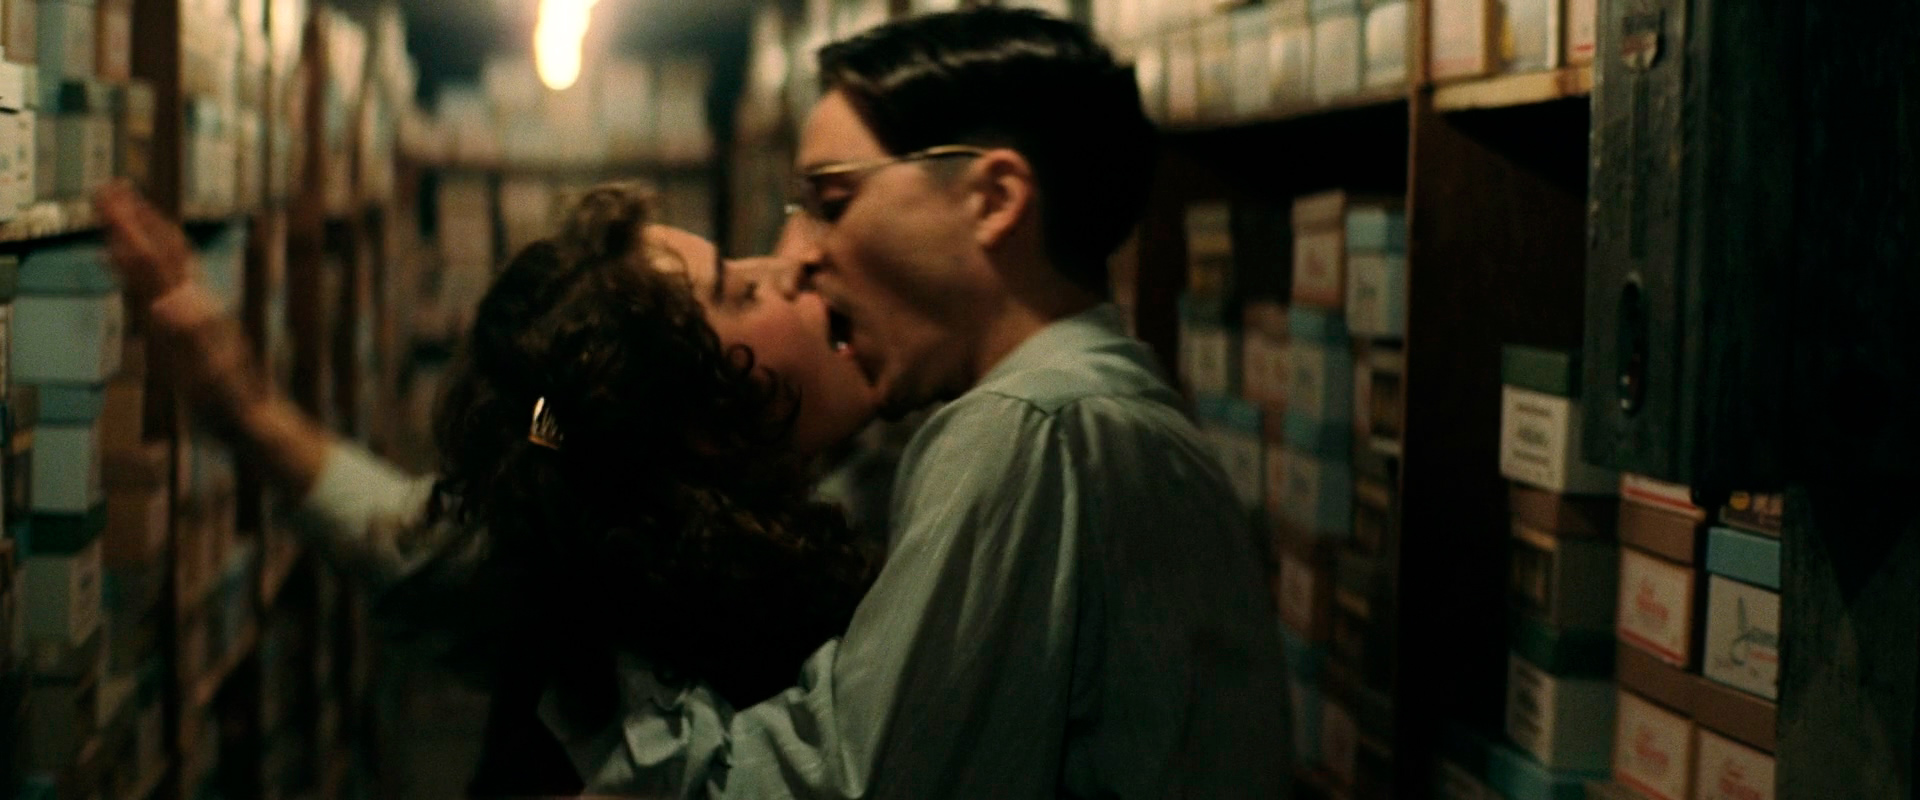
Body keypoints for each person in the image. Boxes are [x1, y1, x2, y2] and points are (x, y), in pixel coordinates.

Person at [549, 8, 1293, 797]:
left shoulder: (1027, 428)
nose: (800, 257)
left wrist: (596, 692)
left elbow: (851, 783)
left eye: (833, 201)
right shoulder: (1101, 402)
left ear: (994, 199)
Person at [95, 181, 887, 796]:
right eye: (739, 291)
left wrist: (245, 406)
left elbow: (415, 539)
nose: (787, 267)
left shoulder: (585, 541)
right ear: (694, 420)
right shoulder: (738, 625)